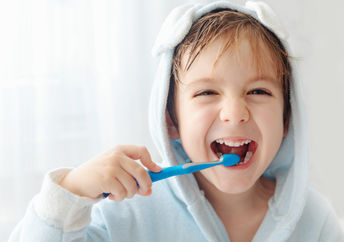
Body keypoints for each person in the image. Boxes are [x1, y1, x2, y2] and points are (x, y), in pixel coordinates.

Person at [9, 1, 344, 241]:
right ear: (170, 121)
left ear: (287, 119)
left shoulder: (314, 221)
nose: (235, 112)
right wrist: (71, 193)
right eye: (207, 93)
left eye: (257, 91)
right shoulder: (129, 214)